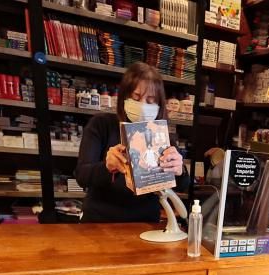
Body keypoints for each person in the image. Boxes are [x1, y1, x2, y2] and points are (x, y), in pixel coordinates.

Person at [75, 62, 189, 223]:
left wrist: (180, 170)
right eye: (136, 97)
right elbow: (81, 176)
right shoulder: (101, 124)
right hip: (100, 222)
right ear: (124, 97)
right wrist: (107, 167)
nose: (143, 106)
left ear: (159, 105)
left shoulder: (161, 135)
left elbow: (182, 185)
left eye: (150, 100)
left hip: (145, 223)